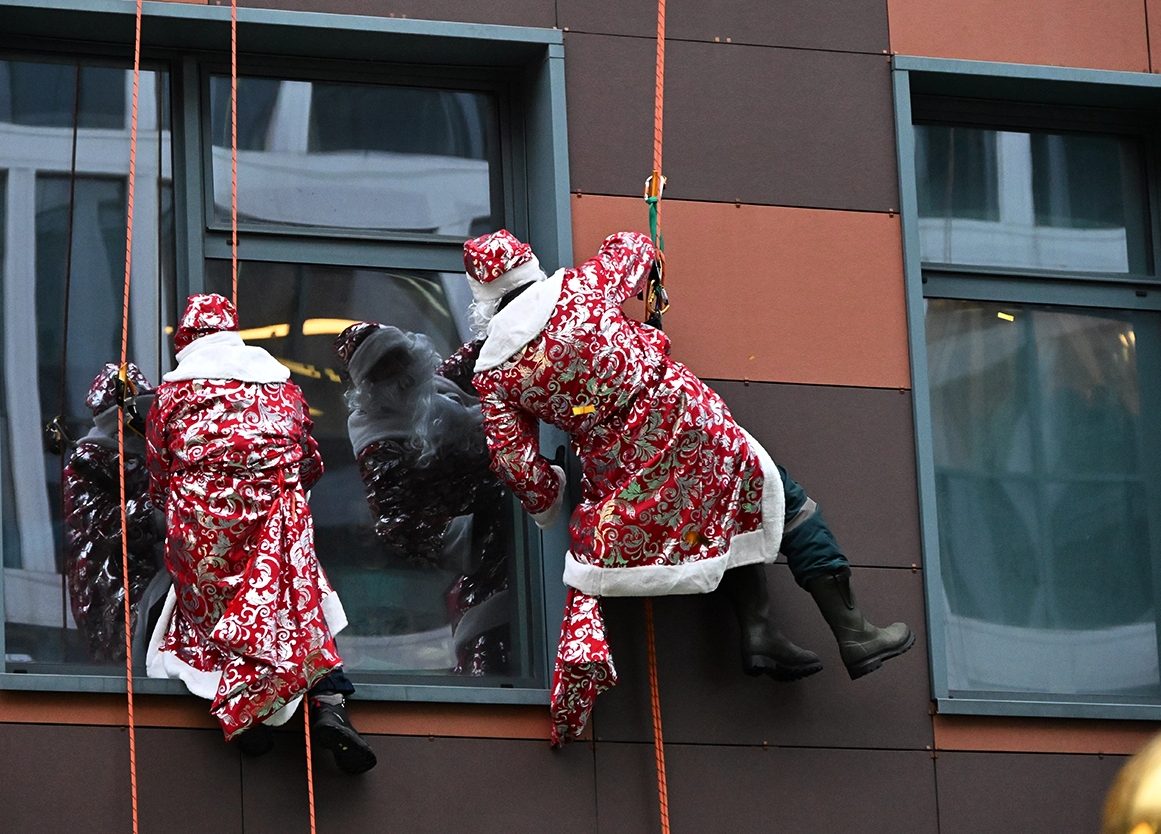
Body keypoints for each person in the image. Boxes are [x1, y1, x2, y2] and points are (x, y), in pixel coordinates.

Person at [462, 229, 914, 744]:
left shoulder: (494, 374)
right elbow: (635, 249)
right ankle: (855, 635)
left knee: (733, 512)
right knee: (781, 503)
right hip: (686, 422)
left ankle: (761, 634)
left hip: (623, 469)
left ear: (486, 303)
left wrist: (551, 496)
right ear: (529, 269)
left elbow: (516, 465)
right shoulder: (582, 287)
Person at [145, 293, 376, 773]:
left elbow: (158, 476)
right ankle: (330, 707)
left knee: (207, 613)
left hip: (204, 530)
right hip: (274, 522)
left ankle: (241, 716)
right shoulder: (282, 387)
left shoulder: (173, 395)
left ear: (186, 341)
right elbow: (310, 461)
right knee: (296, 603)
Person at [334, 322, 513, 674]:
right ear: (368, 389)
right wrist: (479, 523)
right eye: (383, 373)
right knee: (496, 647)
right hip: (493, 548)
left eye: (399, 360)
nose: (400, 377)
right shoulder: (379, 444)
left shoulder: (437, 386)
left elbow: (478, 353)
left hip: (524, 516)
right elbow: (397, 526)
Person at [60, 362, 169, 667]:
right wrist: (160, 512)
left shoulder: (153, 457)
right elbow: (103, 525)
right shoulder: (88, 464)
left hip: (156, 568)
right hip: (112, 579)